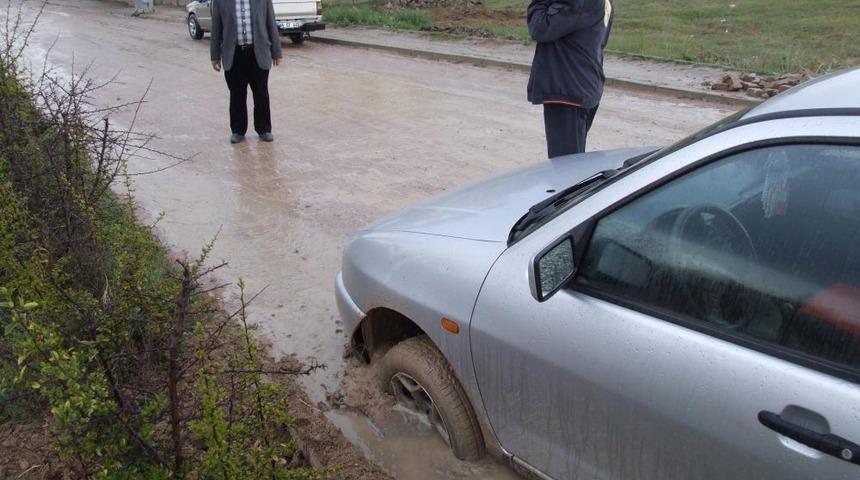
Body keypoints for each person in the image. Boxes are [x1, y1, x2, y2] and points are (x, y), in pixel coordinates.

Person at [527, 0, 614, 158]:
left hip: (568, 89)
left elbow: (540, 28)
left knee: (565, 167)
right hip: (583, 85)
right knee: (574, 163)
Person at [210, 0, 283, 144]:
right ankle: (237, 131)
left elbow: (271, 23)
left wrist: (276, 51)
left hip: (258, 53)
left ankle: (264, 129)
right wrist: (215, 56)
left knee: (261, 93)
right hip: (234, 54)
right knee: (237, 94)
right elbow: (216, 28)